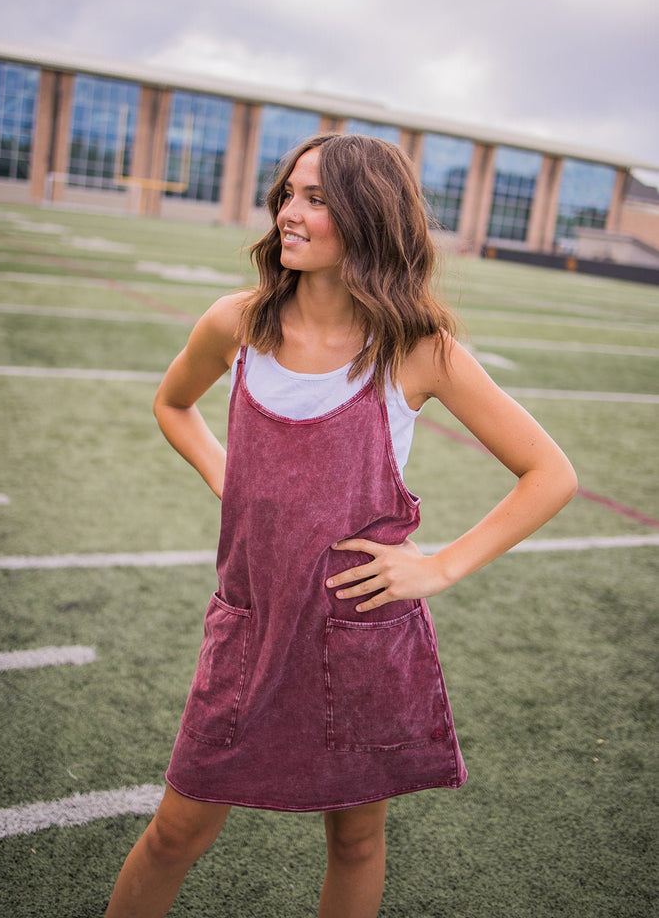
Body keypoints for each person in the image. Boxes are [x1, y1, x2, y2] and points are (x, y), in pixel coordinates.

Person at [105, 133, 577, 918]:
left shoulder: (416, 350)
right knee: (174, 831)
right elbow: (172, 404)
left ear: (368, 216)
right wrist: (234, 481)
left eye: (316, 199)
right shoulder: (237, 323)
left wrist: (441, 566)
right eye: (288, 193)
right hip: (250, 627)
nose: (290, 212)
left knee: (354, 844)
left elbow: (551, 474)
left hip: (361, 637)